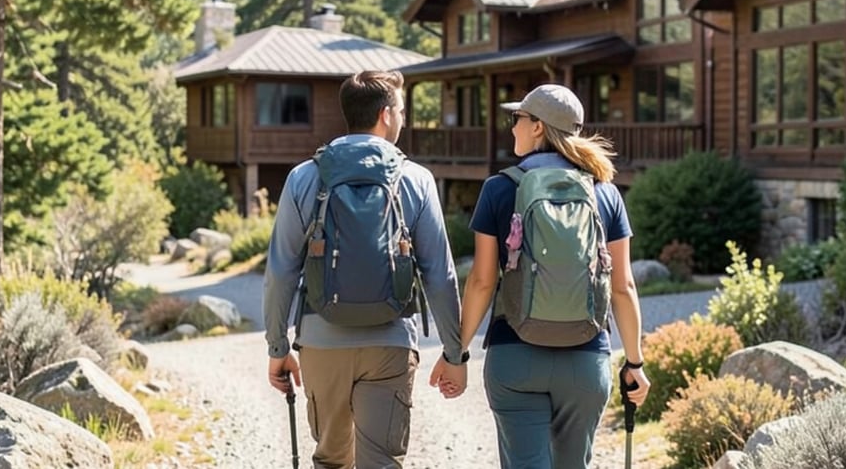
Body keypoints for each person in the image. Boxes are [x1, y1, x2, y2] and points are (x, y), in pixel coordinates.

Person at [263, 69, 467, 469]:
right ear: (386, 115)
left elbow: (281, 271)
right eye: (402, 111)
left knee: (331, 461)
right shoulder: (416, 179)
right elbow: (439, 275)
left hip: (321, 341)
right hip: (390, 343)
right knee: (382, 463)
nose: (403, 120)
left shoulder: (304, 177)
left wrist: (277, 348)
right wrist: (454, 354)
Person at [440, 83, 651, 468]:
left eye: (517, 119)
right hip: (586, 361)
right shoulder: (604, 192)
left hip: (514, 357)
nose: (511, 128)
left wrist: (456, 353)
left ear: (537, 127)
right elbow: (623, 287)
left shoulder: (498, 188)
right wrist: (634, 364)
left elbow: (482, 282)